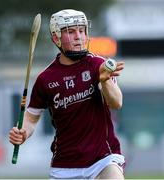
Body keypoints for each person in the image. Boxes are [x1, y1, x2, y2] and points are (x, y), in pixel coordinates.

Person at [9, 9, 125, 179]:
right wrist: (23, 132)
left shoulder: (98, 65)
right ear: (56, 38)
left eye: (82, 30)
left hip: (103, 159)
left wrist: (105, 81)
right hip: (64, 166)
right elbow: (31, 118)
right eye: (71, 32)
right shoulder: (45, 79)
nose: (79, 36)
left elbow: (117, 103)